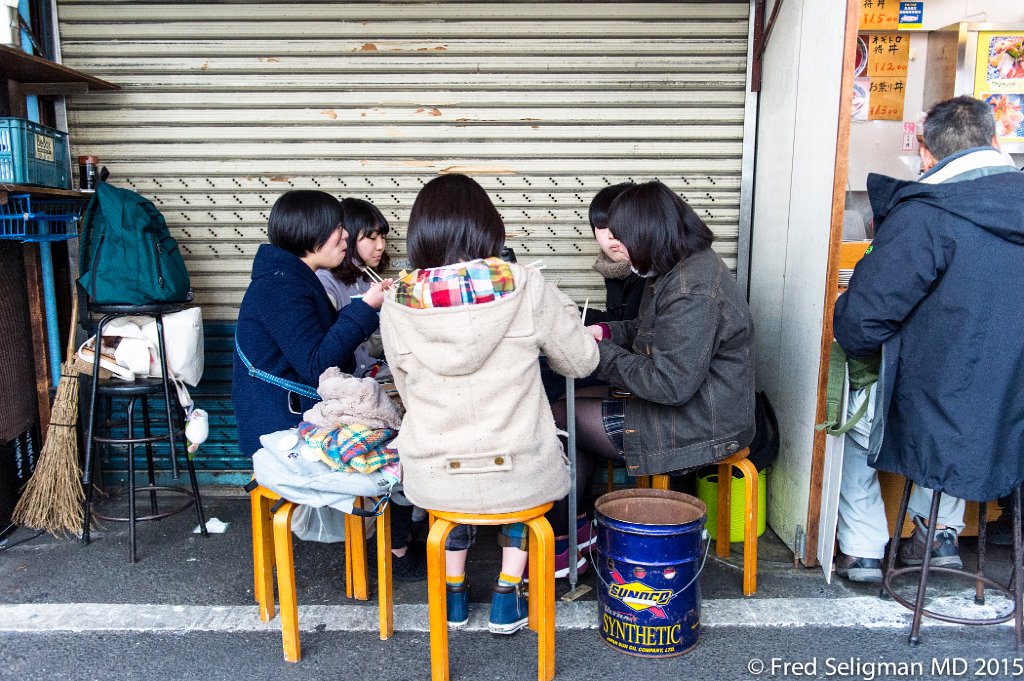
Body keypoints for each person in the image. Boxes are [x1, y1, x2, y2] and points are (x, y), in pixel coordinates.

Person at [379, 173, 598, 634]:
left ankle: (453, 596)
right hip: (520, 470)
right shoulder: (526, 285)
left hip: (435, 477)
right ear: (489, 227)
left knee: (452, 503)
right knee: (524, 495)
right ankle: (505, 596)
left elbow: (403, 383)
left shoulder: (395, 301)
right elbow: (580, 361)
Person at [833, 95, 1024, 582]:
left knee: (852, 422)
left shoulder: (924, 215)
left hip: (936, 403)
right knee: (975, 408)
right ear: (995, 139)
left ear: (926, 152)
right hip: (1010, 413)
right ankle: (938, 530)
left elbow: (862, 326)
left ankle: (865, 547)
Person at [232, 190, 424, 581]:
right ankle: (394, 547)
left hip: (297, 412)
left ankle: (393, 540)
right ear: (311, 233)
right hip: (284, 426)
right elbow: (317, 363)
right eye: (337, 229)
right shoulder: (280, 286)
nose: (344, 238)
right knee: (399, 442)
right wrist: (365, 308)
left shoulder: (290, 279)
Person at [558, 180, 756, 487]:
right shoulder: (679, 266)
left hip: (703, 425)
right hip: (695, 406)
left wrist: (596, 352)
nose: (620, 251)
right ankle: (579, 526)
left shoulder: (692, 289)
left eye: (623, 242)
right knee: (568, 398)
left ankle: (569, 530)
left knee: (559, 415)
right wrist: (606, 332)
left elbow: (669, 384)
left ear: (648, 233)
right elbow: (652, 327)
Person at [316, 197, 391, 378]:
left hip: (371, 374)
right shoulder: (324, 283)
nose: (381, 246)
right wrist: (365, 307)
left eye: (383, 237)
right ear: (345, 238)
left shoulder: (366, 279)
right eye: (372, 238)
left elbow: (371, 348)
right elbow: (326, 351)